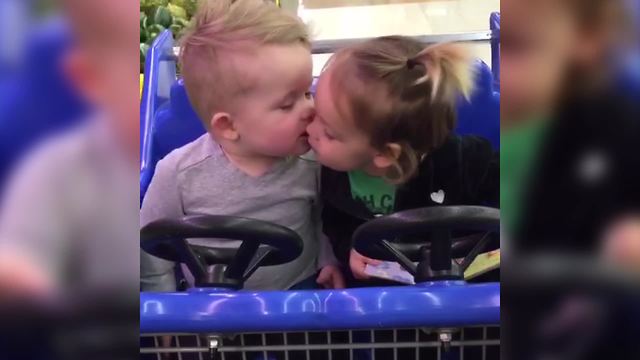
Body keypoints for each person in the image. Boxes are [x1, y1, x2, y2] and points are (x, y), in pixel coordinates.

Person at [140, 0, 343, 292]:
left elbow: (323, 219)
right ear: (228, 126)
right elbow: (150, 246)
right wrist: (165, 309)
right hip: (208, 307)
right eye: (288, 103)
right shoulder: (177, 173)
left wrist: (328, 260)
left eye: (307, 93)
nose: (309, 109)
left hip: (295, 300)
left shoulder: (314, 161)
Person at [305, 36, 499, 283]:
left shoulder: (464, 161)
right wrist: (348, 252)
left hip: (464, 288)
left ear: (386, 154)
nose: (310, 128)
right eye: (315, 110)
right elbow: (336, 222)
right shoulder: (334, 171)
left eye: (328, 131)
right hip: (385, 292)